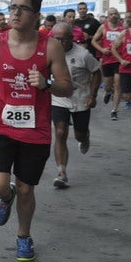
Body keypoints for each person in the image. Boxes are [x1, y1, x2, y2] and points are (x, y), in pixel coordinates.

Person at [0, 0, 73, 262]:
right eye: (13, 7)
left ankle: (23, 236)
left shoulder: (50, 46)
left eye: (23, 8)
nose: (16, 12)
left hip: (35, 131)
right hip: (0, 125)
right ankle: (5, 198)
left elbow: (67, 87)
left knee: (26, 188)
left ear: (36, 15)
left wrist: (48, 84)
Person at [49, 22, 101, 188]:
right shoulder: (48, 53)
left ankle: (84, 136)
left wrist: (93, 95)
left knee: (79, 135)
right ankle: (61, 173)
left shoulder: (83, 54)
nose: (59, 42)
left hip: (80, 99)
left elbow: (97, 73)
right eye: (56, 39)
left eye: (62, 39)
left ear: (71, 38)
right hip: (59, 98)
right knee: (60, 132)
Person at [91, 8, 124, 121]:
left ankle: (114, 110)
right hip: (107, 60)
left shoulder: (123, 28)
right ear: (108, 17)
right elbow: (93, 41)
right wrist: (102, 49)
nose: (114, 16)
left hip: (119, 60)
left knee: (118, 84)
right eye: (111, 14)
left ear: (118, 15)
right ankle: (108, 91)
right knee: (108, 85)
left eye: (115, 13)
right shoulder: (103, 27)